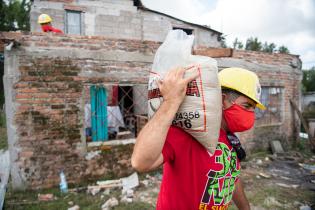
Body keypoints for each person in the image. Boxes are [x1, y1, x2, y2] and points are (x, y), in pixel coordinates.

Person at [131, 67, 266, 210]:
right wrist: (170, 101)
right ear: (222, 100)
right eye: (247, 106)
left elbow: (230, 176)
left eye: (254, 108)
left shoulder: (231, 140)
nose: (252, 114)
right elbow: (140, 162)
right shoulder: (188, 132)